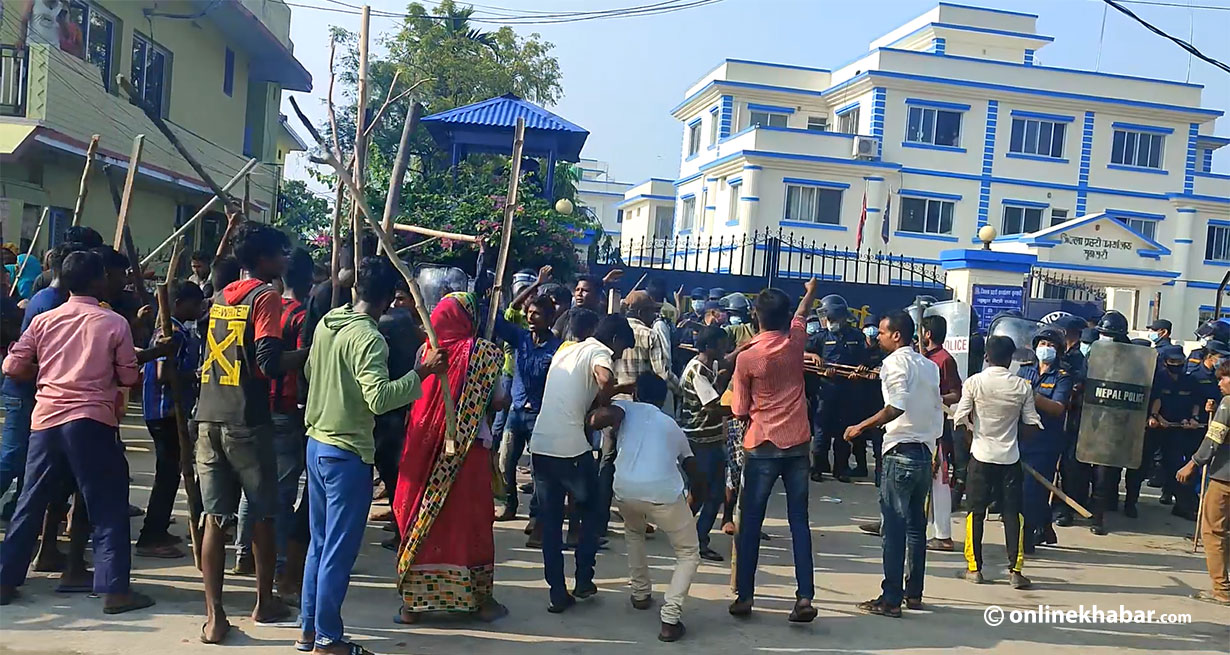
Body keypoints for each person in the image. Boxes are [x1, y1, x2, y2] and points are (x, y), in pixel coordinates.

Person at [298, 257, 445, 653]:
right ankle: (328, 638)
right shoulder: (367, 337)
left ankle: (309, 629)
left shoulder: (330, 323)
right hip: (345, 451)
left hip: (317, 443)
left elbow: (312, 373)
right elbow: (379, 398)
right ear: (389, 299)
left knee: (320, 544)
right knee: (337, 552)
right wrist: (421, 373)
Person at [0, 251, 154, 613]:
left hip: (47, 418)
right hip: (92, 419)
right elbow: (129, 375)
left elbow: (11, 365)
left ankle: (5, 580)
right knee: (107, 504)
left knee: (31, 501)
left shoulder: (44, 320)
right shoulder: (114, 322)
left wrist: (46, 376)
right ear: (99, 281)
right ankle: (115, 589)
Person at [194, 222, 302, 643]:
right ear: (263, 260)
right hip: (247, 418)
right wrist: (315, 351)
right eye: (280, 253)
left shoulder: (221, 296)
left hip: (208, 416)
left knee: (214, 518)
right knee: (262, 512)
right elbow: (269, 362)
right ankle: (263, 601)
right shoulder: (266, 296)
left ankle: (214, 616)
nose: (285, 260)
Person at [394, 292, 508, 623]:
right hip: (468, 453)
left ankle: (412, 604)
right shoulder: (484, 354)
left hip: (422, 450)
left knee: (422, 518)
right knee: (471, 523)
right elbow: (500, 399)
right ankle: (481, 602)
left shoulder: (426, 351)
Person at [728, 280, 820, 623]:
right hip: (797, 441)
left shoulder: (748, 357)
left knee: (750, 522)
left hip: (761, 443)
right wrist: (809, 293)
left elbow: (739, 408)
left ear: (756, 316)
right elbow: (801, 315)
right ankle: (804, 596)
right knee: (799, 522)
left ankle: (745, 595)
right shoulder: (796, 343)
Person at [589, 373, 705, 642]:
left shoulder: (626, 408)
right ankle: (670, 618)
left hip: (625, 489)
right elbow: (695, 474)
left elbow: (595, 419)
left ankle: (640, 594)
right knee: (688, 552)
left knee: (634, 533)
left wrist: (619, 390)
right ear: (663, 398)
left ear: (636, 393)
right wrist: (693, 504)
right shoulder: (672, 426)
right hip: (662, 492)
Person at [844, 310, 943, 618]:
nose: (878, 337)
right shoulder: (928, 366)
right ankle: (914, 594)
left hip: (901, 450)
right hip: (924, 451)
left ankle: (890, 598)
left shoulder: (894, 363)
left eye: (883, 333)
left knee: (894, 528)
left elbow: (896, 406)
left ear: (896, 335)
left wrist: (861, 426)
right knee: (915, 528)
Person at [529, 313, 631, 613]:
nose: (619, 356)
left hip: (541, 445)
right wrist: (607, 406)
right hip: (570, 449)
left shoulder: (567, 349)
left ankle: (557, 592)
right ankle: (584, 577)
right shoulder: (600, 351)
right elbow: (605, 378)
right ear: (614, 340)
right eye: (621, 350)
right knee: (594, 511)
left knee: (550, 523)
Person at [952, 335, 1042, 589]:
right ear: (1011, 358)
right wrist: (1014, 438)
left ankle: (974, 569)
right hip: (1010, 459)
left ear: (987, 357)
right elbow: (1033, 424)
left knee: (975, 514)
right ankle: (1015, 571)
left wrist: (972, 439)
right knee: (1013, 515)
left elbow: (959, 420)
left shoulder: (974, 383)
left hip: (981, 457)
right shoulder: (1022, 386)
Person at [135, 280, 205, 559]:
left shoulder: (171, 328)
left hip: (161, 411)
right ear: (179, 304)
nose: (198, 309)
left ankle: (158, 527)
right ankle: (150, 535)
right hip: (165, 412)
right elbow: (165, 375)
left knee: (170, 472)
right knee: (167, 475)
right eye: (194, 303)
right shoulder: (172, 332)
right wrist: (195, 376)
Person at [493, 267, 562, 522]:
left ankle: (536, 516)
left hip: (540, 415)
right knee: (505, 463)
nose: (532, 318)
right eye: (530, 313)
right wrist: (535, 286)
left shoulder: (557, 348)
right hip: (516, 412)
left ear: (549, 319)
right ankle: (510, 505)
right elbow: (505, 315)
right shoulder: (520, 338)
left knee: (538, 470)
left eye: (538, 315)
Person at [1176, 360, 1230, 606]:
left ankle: (1221, 588)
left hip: (1224, 477)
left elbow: (1214, 438)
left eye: (1223, 378)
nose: (1219, 383)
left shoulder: (1229, 403)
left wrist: (1193, 463)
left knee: (1213, 531)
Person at [678, 325, 730, 562]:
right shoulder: (698, 370)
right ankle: (697, 540)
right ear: (710, 346)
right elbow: (711, 406)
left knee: (701, 492)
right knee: (711, 493)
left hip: (706, 438)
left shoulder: (708, 366)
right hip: (701, 439)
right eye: (721, 344)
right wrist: (740, 410)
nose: (725, 349)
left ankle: (685, 534)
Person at [1021, 328, 1073, 551]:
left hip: (1045, 443)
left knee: (1034, 491)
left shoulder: (1062, 377)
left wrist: (1033, 396)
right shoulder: (1024, 372)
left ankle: (1030, 536)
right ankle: (1043, 525)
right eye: (1042, 344)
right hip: (1021, 438)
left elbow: (1058, 408)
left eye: (1051, 345)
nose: (1046, 348)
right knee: (1022, 489)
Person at [805, 294, 865, 483]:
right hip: (825, 390)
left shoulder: (856, 336)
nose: (830, 322)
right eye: (828, 319)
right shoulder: (820, 337)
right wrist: (811, 357)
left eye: (833, 318)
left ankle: (841, 469)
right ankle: (818, 468)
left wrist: (860, 370)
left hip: (849, 390)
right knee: (821, 431)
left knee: (844, 431)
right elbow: (799, 352)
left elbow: (864, 359)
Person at [920, 315, 962, 551]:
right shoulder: (920, 358)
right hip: (919, 424)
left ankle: (943, 534)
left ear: (928, 334)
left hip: (937, 428)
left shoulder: (944, 360)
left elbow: (956, 393)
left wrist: (935, 399)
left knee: (939, 480)